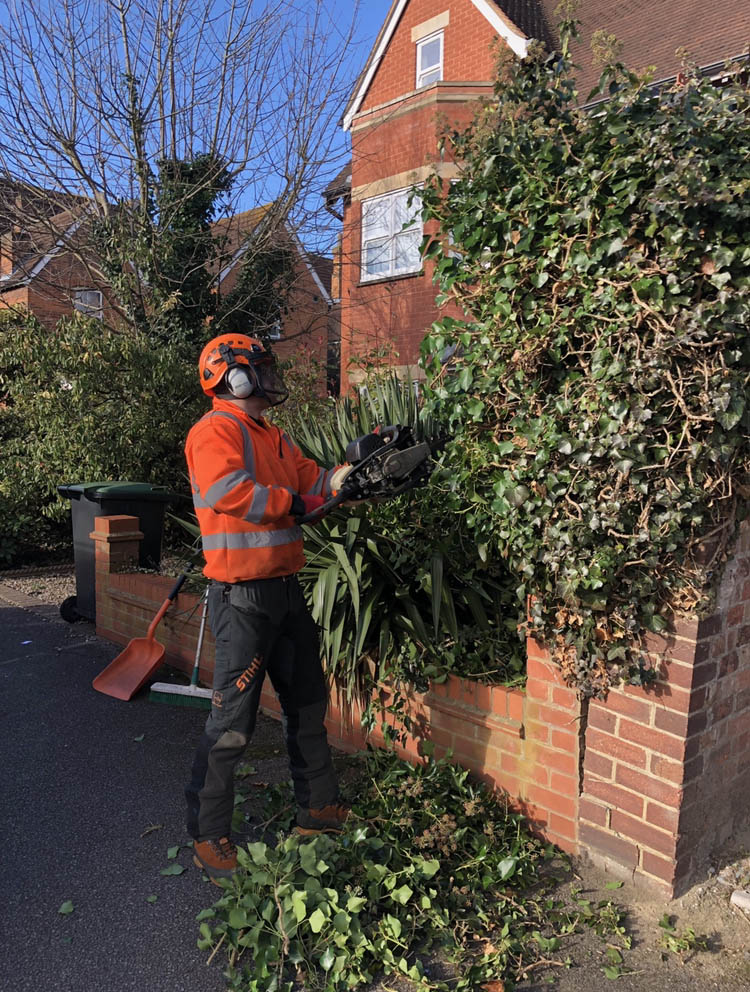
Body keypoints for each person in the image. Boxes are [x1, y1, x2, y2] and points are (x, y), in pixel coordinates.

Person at [184, 332, 351, 884]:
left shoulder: (274, 437)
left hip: (285, 590)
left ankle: (319, 810)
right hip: (242, 602)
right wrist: (300, 504)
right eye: (259, 368)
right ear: (231, 377)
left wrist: (350, 479)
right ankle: (209, 836)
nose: (269, 376)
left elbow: (313, 484)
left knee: (307, 701)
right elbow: (232, 492)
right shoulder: (215, 432)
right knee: (232, 724)